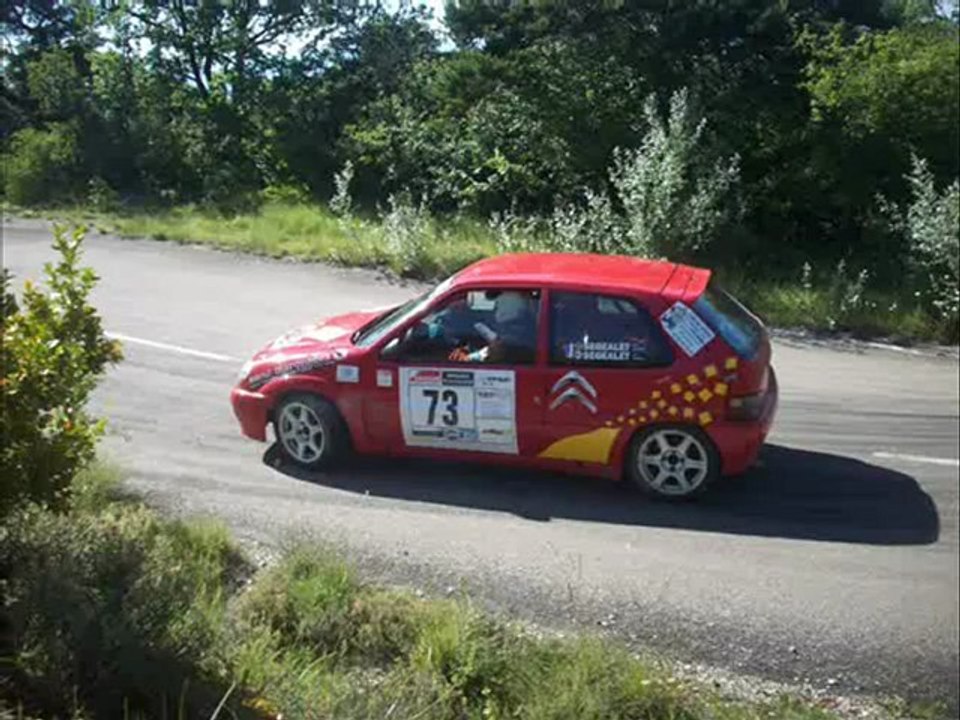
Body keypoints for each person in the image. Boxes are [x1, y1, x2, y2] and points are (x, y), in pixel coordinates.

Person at [448, 291, 536, 363]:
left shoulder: (515, 322)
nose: (460, 302)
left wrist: (471, 357)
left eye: (462, 298)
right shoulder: (474, 319)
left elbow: (500, 347)